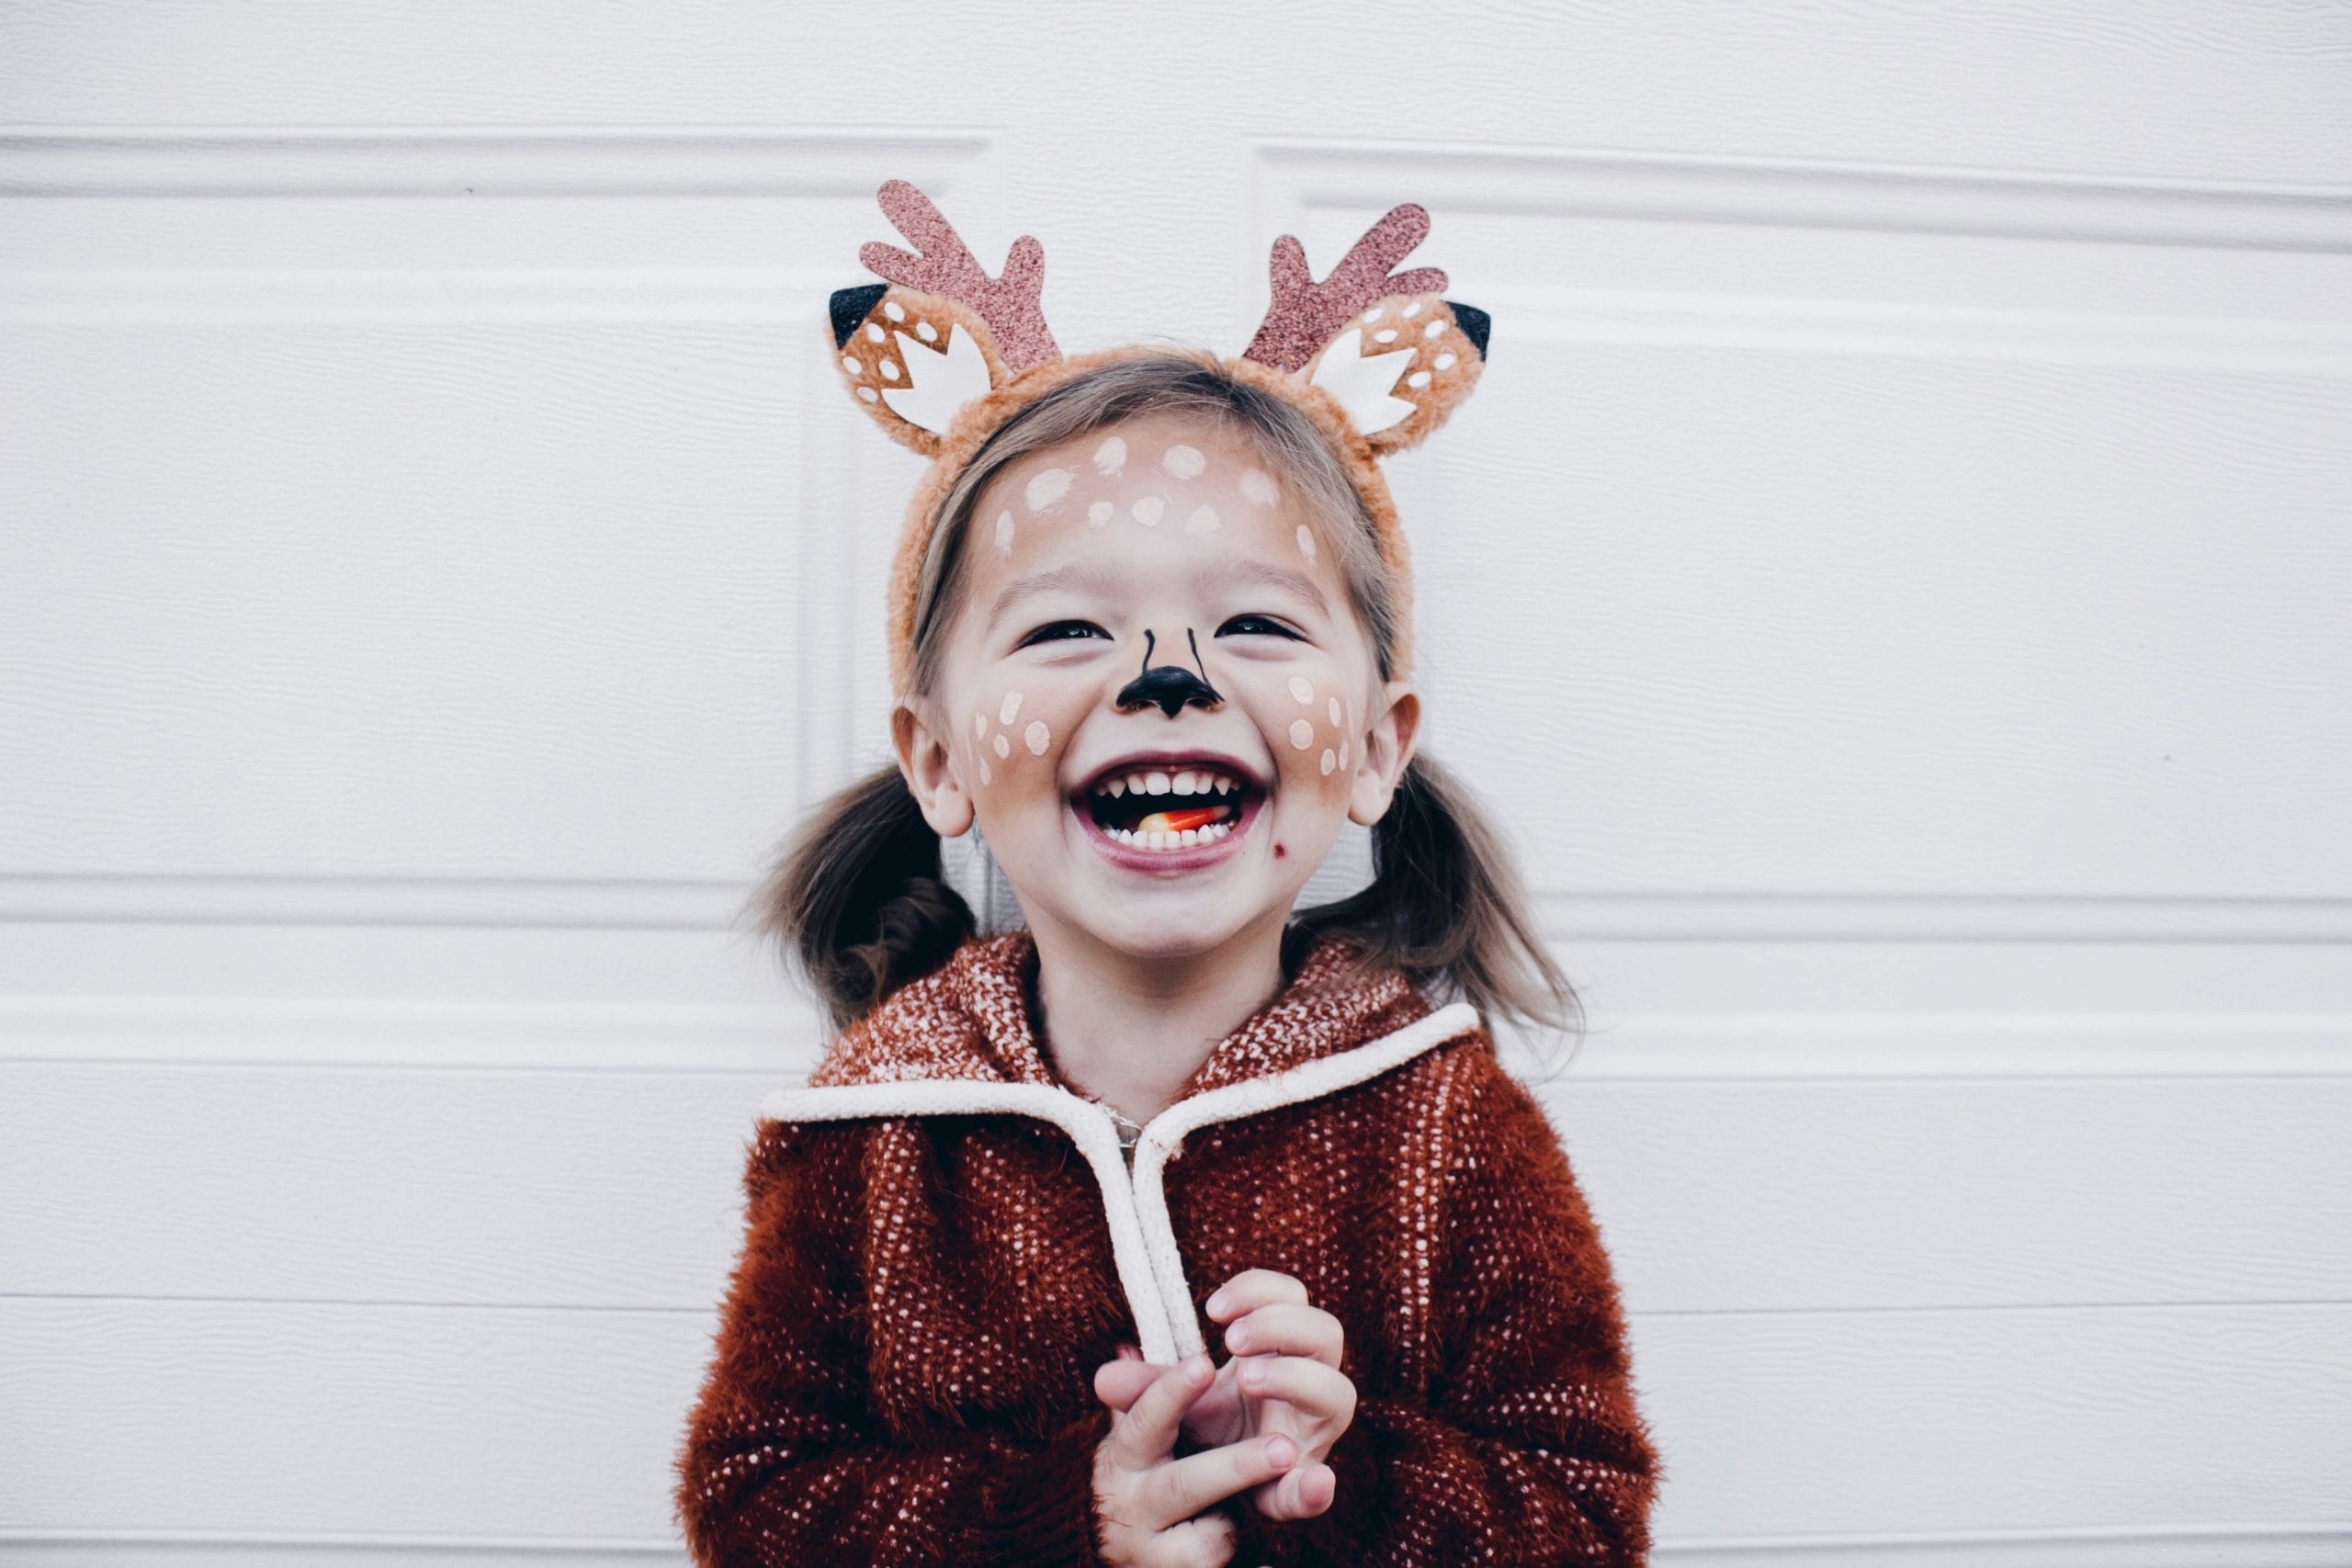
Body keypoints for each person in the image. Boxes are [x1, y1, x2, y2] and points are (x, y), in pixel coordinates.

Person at [674, 181, 1657, 1566]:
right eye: (1071, 625)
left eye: (1253, 620)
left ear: (1377, 750)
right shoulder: (872, 1136)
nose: (1169, 674)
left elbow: (1585, 1513)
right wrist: (1057, 1522)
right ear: (940, 761)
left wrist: (1344, 1481)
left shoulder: (1448, 1123)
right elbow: (757, 1508)